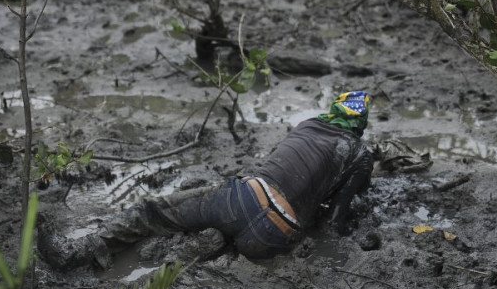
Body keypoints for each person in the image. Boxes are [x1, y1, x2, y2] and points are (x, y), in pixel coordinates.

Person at [90, 90, 375, 264]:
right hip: (273, 236)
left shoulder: (308, 124)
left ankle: (84, 250)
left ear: (335, 110)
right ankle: (219, 243)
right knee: (238, 240)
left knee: (152, 211)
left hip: (240, 199)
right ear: (360, 122)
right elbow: (334, 221)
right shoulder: (360, 154)